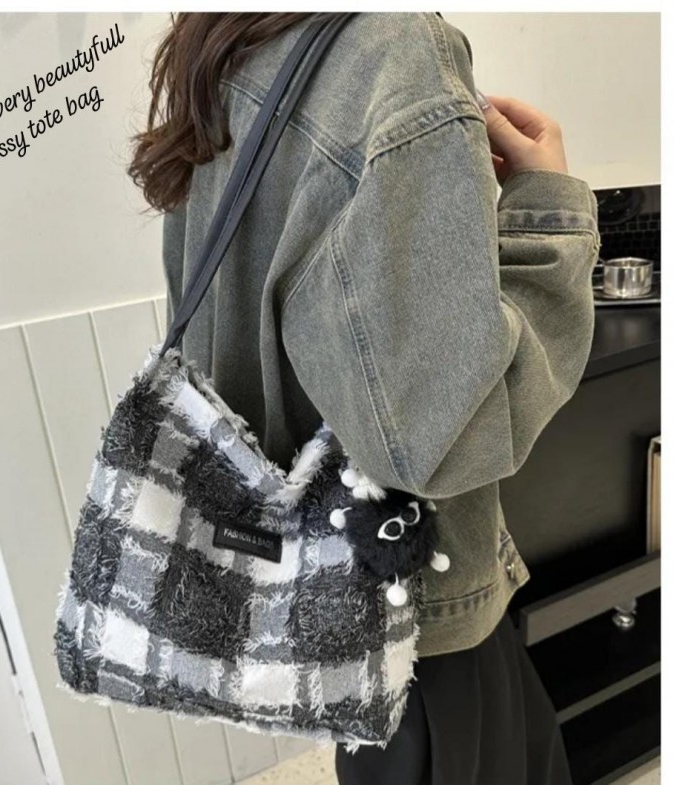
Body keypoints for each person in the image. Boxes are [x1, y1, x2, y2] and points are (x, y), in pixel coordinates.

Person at [128, 12, 598, 785]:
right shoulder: (395, 57)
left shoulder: (228, 40)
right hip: (412, 606)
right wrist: (547, 210)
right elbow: (450, 433)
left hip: (320, 596)